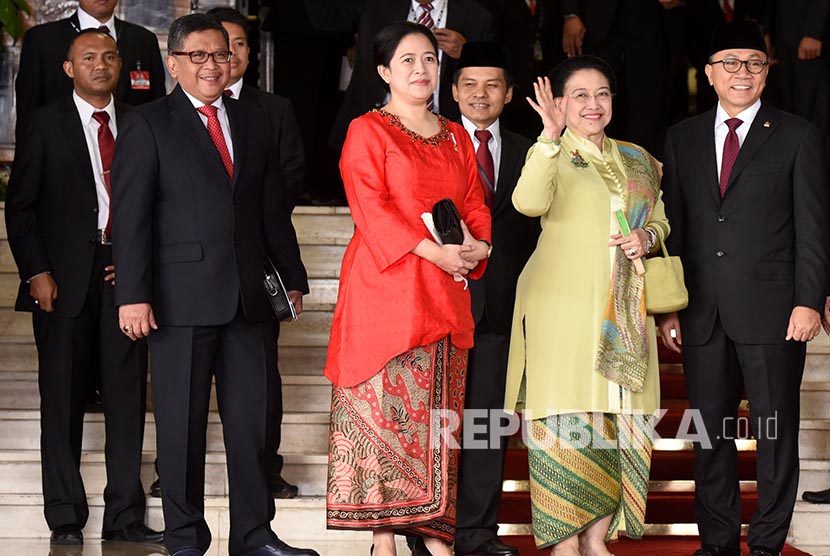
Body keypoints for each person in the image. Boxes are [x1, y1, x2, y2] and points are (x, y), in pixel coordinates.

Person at [109, 13, 313, 556]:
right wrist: (132, 293)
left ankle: (253, 536)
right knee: (180, 430)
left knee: (251, 427)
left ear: (234, 60)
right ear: (173, 63)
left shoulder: (253, 120)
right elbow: (130, 218)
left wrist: (290, 276)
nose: (211, 65)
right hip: (178, 302)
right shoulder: (147, 123)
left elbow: (271, 207)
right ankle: (184, 539)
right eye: (197, 56)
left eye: (220, 55)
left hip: (248, 299)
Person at [657, 21, 830, 556]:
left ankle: (768, 543)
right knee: (712, 438)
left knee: (775, 435)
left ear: (767, 71)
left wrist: (808, 300)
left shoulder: (797, 134)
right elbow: (675, 229)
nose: (742, 73)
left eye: (753, 63)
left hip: (775, 312)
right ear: (708, 74)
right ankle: (717, 543)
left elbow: (813, 225)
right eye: (729, 63)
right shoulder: (682, 138)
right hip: (702, 312)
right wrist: (669, 307)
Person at [324, 21, 492, 556]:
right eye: (408, 61)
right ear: (383, 72)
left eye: (429, 60)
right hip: (386, 288)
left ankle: (432, 532)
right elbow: (371, 208)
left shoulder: (455, 133)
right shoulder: (367, 131)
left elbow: (473, 203)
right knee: (385, 414)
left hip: (445, 286)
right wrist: (435, 252)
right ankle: (383, 539)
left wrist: (477, 246)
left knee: (435, 418)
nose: (421, 70)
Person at [503, 55, 669, 555]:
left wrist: (647, 234)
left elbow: (662, 221)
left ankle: (597, 538)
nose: (592, 104)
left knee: (617, 417)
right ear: (558, 102)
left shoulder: (639, 159)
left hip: (625, 312)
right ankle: (564, 540)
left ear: (613, 101)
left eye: (601, 94)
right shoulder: (549, 151)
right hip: (561, 307)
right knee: (564, 417)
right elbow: (527, 203)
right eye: (579, 94)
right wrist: (548, 138)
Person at [4, 29, 160, 547]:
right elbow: (20, 205)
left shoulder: (141, 123)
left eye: (109, 56)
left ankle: (124, 515)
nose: (101, 64)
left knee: (125, 398)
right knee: (63, 398)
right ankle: (65, 517)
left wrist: (138, 262)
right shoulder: (45, 124)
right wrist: (35, 271)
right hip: (61, 277)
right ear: (69, 69)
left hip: (124, 273)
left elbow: (159, 204)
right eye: (88, 57)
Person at [209, 5, 306, 500]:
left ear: (249, 53)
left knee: (261, 379)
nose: (226, 55)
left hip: (258, 262)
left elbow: (287, 178)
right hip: (195, 269)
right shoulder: (167, 114)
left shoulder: (273, 110)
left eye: (238, 44)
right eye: (217, 44)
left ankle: (266, 468)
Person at [450, 41, 539, 556]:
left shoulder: (534, 151)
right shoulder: (433, 143)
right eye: (469, 84)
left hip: (505, 309)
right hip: (441, 306)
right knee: (434, 427)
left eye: (491, 85)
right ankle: (428, 531)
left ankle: (477, 536)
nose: (480, 94)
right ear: (454, 92)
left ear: (508, 94)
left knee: (486, 427)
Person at [304, 0, 495, 148]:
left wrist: (467, 52)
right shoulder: (375, 4)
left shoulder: (476, 16)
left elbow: (496, 80)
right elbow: (326, 18)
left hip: (446, 134)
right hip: (378, 128)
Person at [15, 0, 166, 142]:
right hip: (63, 155)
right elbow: (28, 115)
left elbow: (157, 109)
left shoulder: (144, 40)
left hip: (133, 151)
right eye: (89, 58)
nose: (100, 65)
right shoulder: (42, 40)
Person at [558, 0, 675, 157]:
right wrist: (571, 13)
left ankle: (643, 175)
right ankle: (593, 173)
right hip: (596, 24)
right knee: (595, 103)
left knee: (647, 110)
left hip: (650, 22)